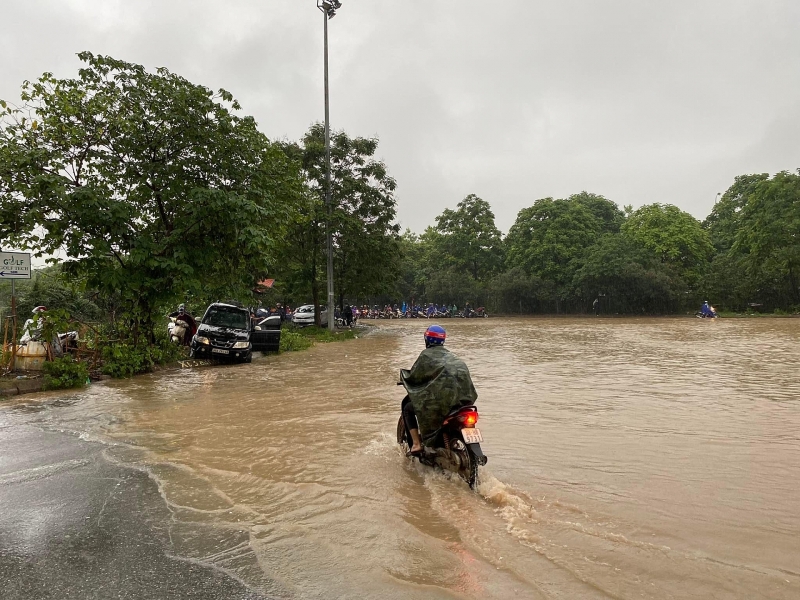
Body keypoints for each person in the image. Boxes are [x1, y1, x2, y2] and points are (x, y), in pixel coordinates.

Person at [400, 325, 478, 455]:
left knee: (408, 408)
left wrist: (404, 377)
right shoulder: (452, 356)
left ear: (427, 339)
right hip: (463, 402)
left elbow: (415, 376)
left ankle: (416, 444)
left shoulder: (426, 356)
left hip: (442, 404)